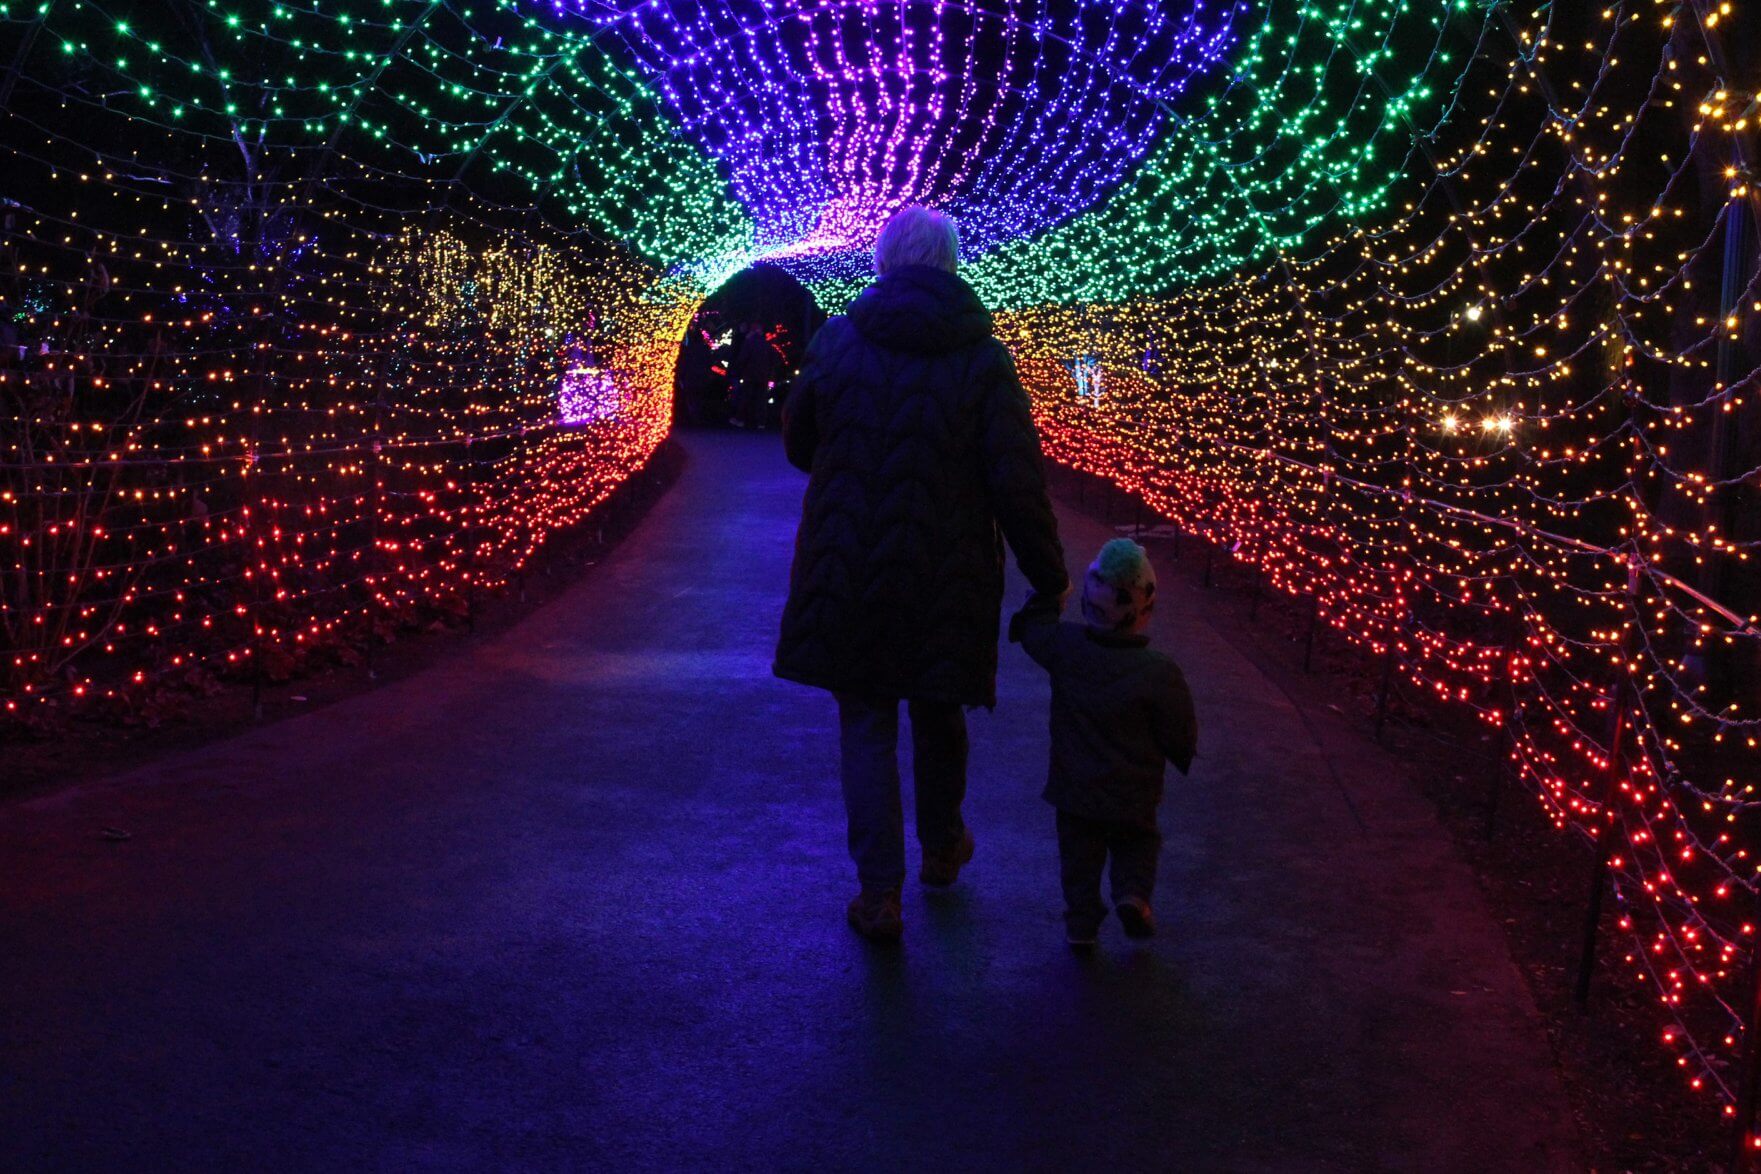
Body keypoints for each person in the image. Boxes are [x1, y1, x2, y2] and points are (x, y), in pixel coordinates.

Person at [774, 206, 1068, 940]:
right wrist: (1048, 573)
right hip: (950, 569)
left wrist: (851, 474)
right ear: (951, 264)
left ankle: (879, 893)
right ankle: (941, 847)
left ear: (881, 261)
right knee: (937, 711)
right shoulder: (982, 359)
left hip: (849, 566)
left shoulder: (839, 340)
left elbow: (798, 441)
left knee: (867, 722)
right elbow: (1015, 480)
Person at [1009, 538, 1198, 951]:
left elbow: (1034, 633)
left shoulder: (1066, 648)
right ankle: (1133, 894)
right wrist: (1179, 751)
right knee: (1137, 841)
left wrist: (1040, 604)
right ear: (1144, 610)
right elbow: (1178, 726)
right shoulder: (1159, 673)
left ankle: (1081, 922)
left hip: (1075, 786)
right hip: (1134, 787)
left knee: (1079, 855)